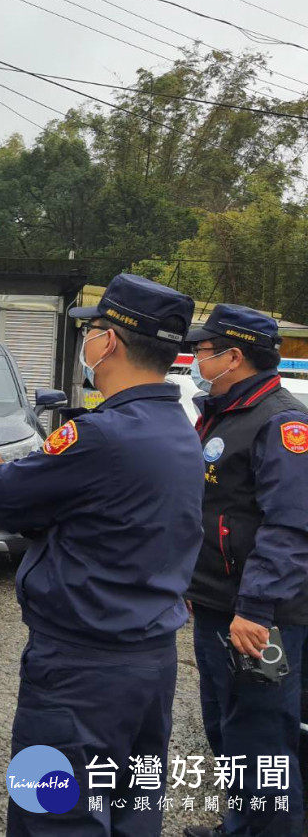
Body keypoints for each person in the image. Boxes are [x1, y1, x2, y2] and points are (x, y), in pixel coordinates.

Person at [0, 273, 204, 836]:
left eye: (94, 331)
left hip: (79, 667)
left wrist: (4, 473)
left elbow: (4, 498)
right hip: (150, 661)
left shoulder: (102, 434)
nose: (89, 343)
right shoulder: (178, 428)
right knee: (132, 808)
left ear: (110, 342)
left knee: (53, 814)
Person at [182, 305, 308, 837]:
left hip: (260, 617)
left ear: (234, 356)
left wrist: (255, 608)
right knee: (228, 729)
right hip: (218, 605)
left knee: (261, 738)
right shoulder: (225, 413)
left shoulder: (281, 421)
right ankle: (244, 826)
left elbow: (290, 527)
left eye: (204, 351)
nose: (196, 360)